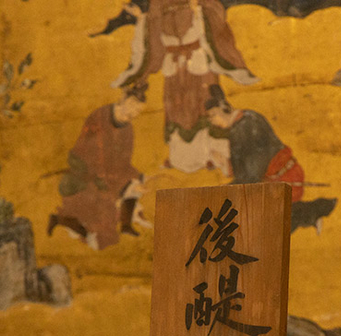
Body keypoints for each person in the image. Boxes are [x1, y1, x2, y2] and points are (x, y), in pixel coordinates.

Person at [112, 0, 257, 174]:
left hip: (198, 61)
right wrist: (142, 18)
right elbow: (155, 34)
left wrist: (199, 11)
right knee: (176, 108)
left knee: (205, 104)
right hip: (173, 66)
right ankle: (180, 158)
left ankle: (213, 156)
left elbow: (215, 12)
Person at [203, 85, 336, 232]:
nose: (212, 121)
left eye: (213, 115)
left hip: (284, 179)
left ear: (225, 109)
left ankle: (313, 211)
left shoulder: (245, 126)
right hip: (278, 177)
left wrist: (222, 192)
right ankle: (312, 213)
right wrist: (225, 163)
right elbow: (249, 167)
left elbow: (251, 174)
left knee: (269, 227)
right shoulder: (246, 118)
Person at [48, 83, 148, 251]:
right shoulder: (100, 118)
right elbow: (95, 159)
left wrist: (133, 179)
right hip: (87, 170)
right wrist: (115, 189)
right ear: (129, 102)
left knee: (136, 180)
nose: (136, 115)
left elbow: (124, 160)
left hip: (109, 172)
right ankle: (60, 220)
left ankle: (125, 225)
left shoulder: (128, 128)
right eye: (136, 110)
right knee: (101, 214)